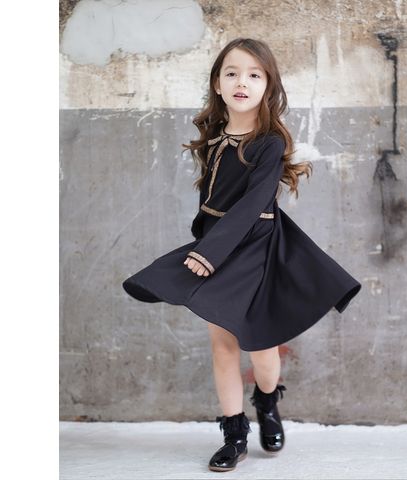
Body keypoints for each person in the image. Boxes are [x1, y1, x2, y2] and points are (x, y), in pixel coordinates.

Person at [122, 37, 362, 472]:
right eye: (231, 73)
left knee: (262, 350)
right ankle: (234, 435)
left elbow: (253, 203)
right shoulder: (214, 138)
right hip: (217, 247)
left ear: (268, 85)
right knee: (222, 345)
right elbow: (212, 201)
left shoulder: (269, 143)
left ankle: (267, 401)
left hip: (256, 248)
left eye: (254, 75)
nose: (241, 82)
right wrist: (204, 241)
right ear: (217, 83)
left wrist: (210, 252)